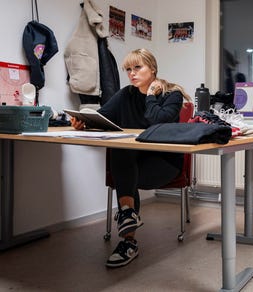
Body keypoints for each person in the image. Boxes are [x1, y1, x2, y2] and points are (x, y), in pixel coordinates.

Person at [70, 48, 192, 268]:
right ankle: (129, 230)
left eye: (138, 67)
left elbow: (156, 120)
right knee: (121, 148)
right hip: (132, 165)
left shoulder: (171, 94)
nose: (132, 73)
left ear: (152, 68)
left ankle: (127, 228)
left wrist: (151, 96)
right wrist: (83, 121)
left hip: (164, 164)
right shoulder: (126, 94)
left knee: (125, 164)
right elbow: (102, 117)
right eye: (128, 69)